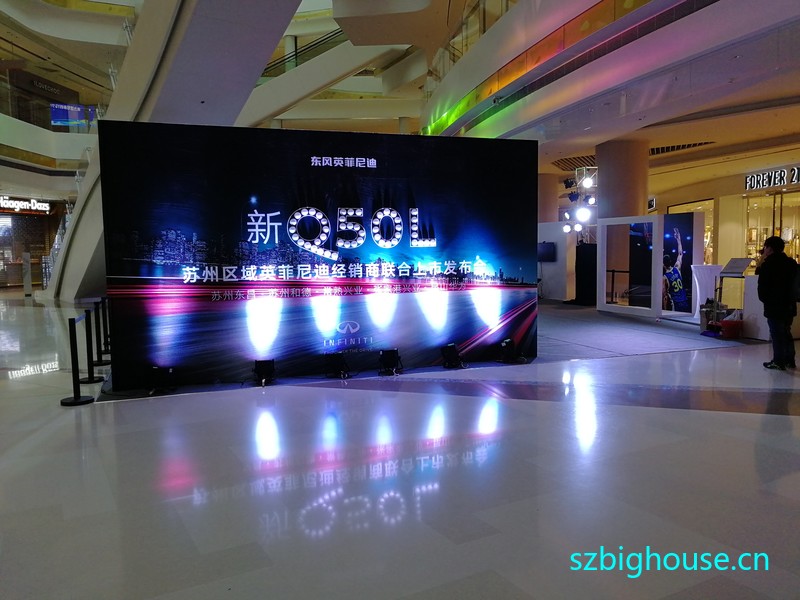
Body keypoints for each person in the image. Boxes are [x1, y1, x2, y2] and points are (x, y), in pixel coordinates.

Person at [756, 236, 797, 370]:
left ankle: (778, 361)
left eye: (765, 247)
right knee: (786, 331)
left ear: (770, 248)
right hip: (789, 304)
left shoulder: (768, 265)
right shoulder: (791, 263)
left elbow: (763, 287)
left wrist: (765, 299)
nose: (764, 249)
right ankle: (789, 359)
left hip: (774, 305)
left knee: (776, 333)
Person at [663, 227, 690, 312]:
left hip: (676, 303)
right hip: (684, 301)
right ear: (670, 261)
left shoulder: (665, 277)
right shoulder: (677, 268)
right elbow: (680, 254)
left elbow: (665, 296)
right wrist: (679, 240)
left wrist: (664, 311)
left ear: (663, 264)